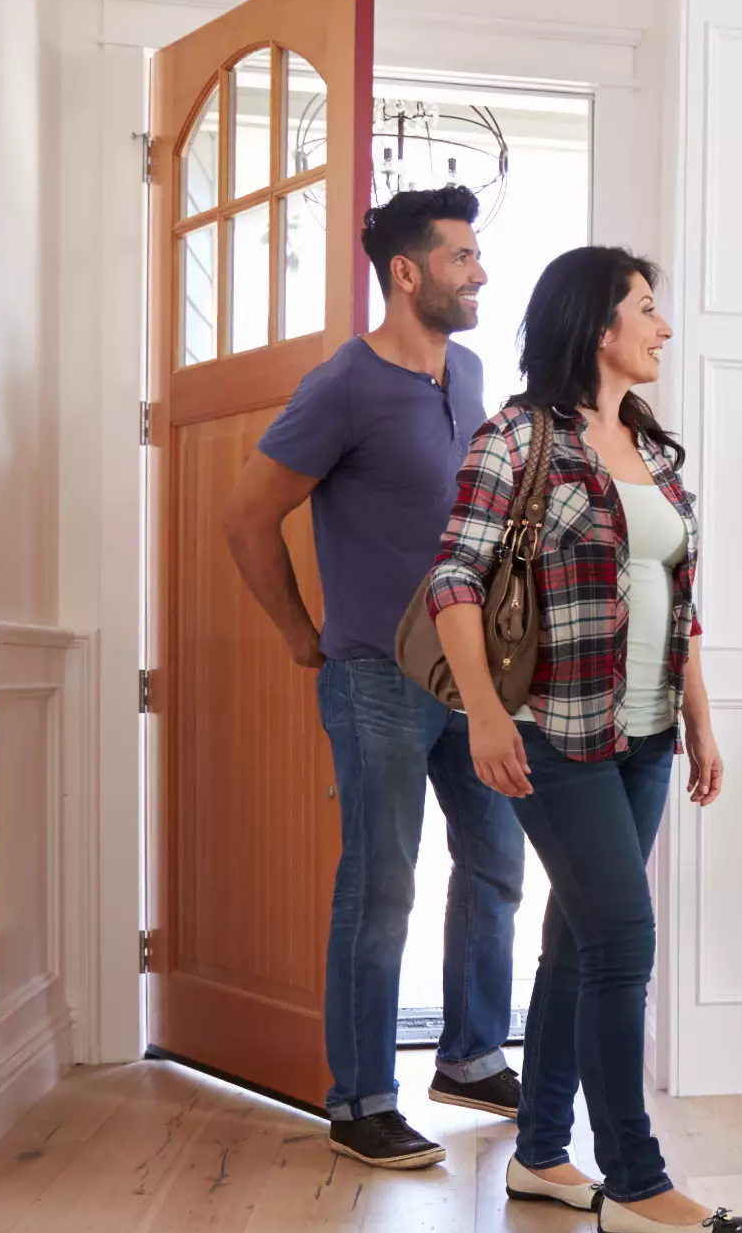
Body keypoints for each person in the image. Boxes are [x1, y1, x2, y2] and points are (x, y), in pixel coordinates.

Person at [424, 246, 742, 1233]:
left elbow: (677, 599)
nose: (664, 326)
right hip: (554, 731)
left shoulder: (652, 447)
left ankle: (540, 1152)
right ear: (600, 324)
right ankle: (636, 1181)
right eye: (648, 308)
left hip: (644, 730)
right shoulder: (522, 438)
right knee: (621, 940)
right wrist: (482, 711)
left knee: (575, 940)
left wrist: (696, 714)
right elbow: (457, 579)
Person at [221, 184, 524, 1170]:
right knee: (382, 881)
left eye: (478, 255)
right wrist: (300, 632)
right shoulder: (343, 384)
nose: (478, 271)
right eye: (461, 256)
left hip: (470, 675)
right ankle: (358, 1098)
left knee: (496, 860)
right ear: (406, 270)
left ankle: (473, 1054)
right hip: (376, 676)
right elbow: (244, 518)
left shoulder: (469, 371)